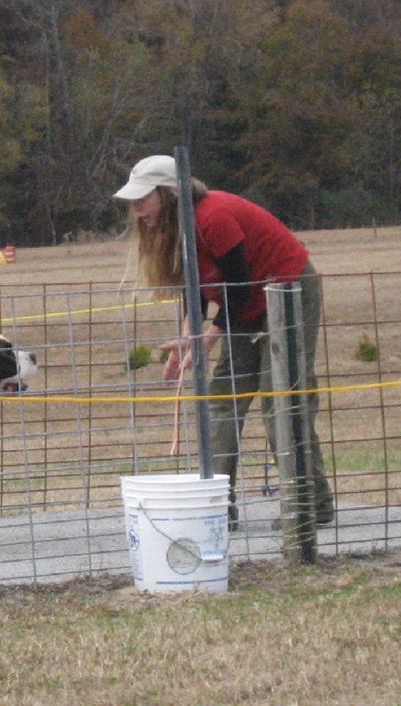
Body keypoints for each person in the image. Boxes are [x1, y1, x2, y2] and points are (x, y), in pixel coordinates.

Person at [113, 154, 334, 528]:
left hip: (288, 292)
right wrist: (189, 335)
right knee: (222, 399)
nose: (136, 209)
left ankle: (307, 502)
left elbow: (239, 281)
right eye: (132, 201)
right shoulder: (177, 230)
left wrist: (210, 336)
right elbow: (197, 285)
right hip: (244, 307)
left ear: (169, 194)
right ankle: (215, 505)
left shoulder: (212, 217)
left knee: (280, 398)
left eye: (143, 199)